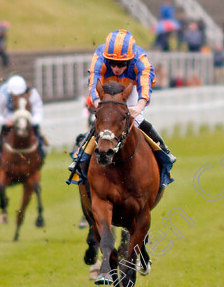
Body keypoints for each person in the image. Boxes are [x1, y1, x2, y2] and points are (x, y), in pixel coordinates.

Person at [68, 29, 175, 187]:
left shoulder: (141, 60)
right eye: (112, 62)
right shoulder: (99, 56)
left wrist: (139, 106)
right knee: (103, 121)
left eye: (121, 64)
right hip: (106, 86)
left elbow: (145, 87)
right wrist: (98, 103)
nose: (116, 67)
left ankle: (163, 151)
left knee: (137, 120)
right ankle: (80, 157)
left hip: (130, 88)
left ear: (130, 59)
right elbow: (93, 83)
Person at [0, 75, 47, 159]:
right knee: (1, 137)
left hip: (28, 118)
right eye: (14, 95)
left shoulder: (32, 93)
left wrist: (32, 121)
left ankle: (41, 151)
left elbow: (38, 111)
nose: (16, 97)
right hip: (9, 118)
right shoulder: (2, 93)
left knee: (37, 134)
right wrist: (5, 121)